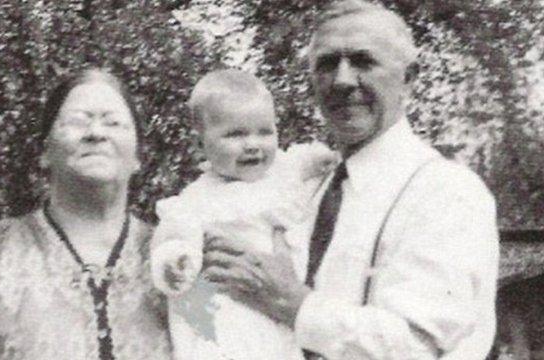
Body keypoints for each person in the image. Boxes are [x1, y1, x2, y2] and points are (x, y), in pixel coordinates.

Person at [202, 1, 500, 359]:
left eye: (363, 61)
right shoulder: (306, 187)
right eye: (326, 64)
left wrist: (293, 304)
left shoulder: (446, 193)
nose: (342, 80)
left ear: (409, 77)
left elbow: (418, 346)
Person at [0, 69, 172, 359]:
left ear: (138, 157)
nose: (96, 133)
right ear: (45, 151)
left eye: (114, 123)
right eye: (78, 120)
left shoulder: (179, 261)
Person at [150, 69, 336, 360]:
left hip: (279, 313)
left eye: (264, 131)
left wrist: (318, 161)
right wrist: (175, 261)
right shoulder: (199, 198)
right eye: (235, 134)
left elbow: (303, 163)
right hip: (226, 313)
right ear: (201, 145)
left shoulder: (281, 176)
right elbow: (174, 232)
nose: (253, 144)